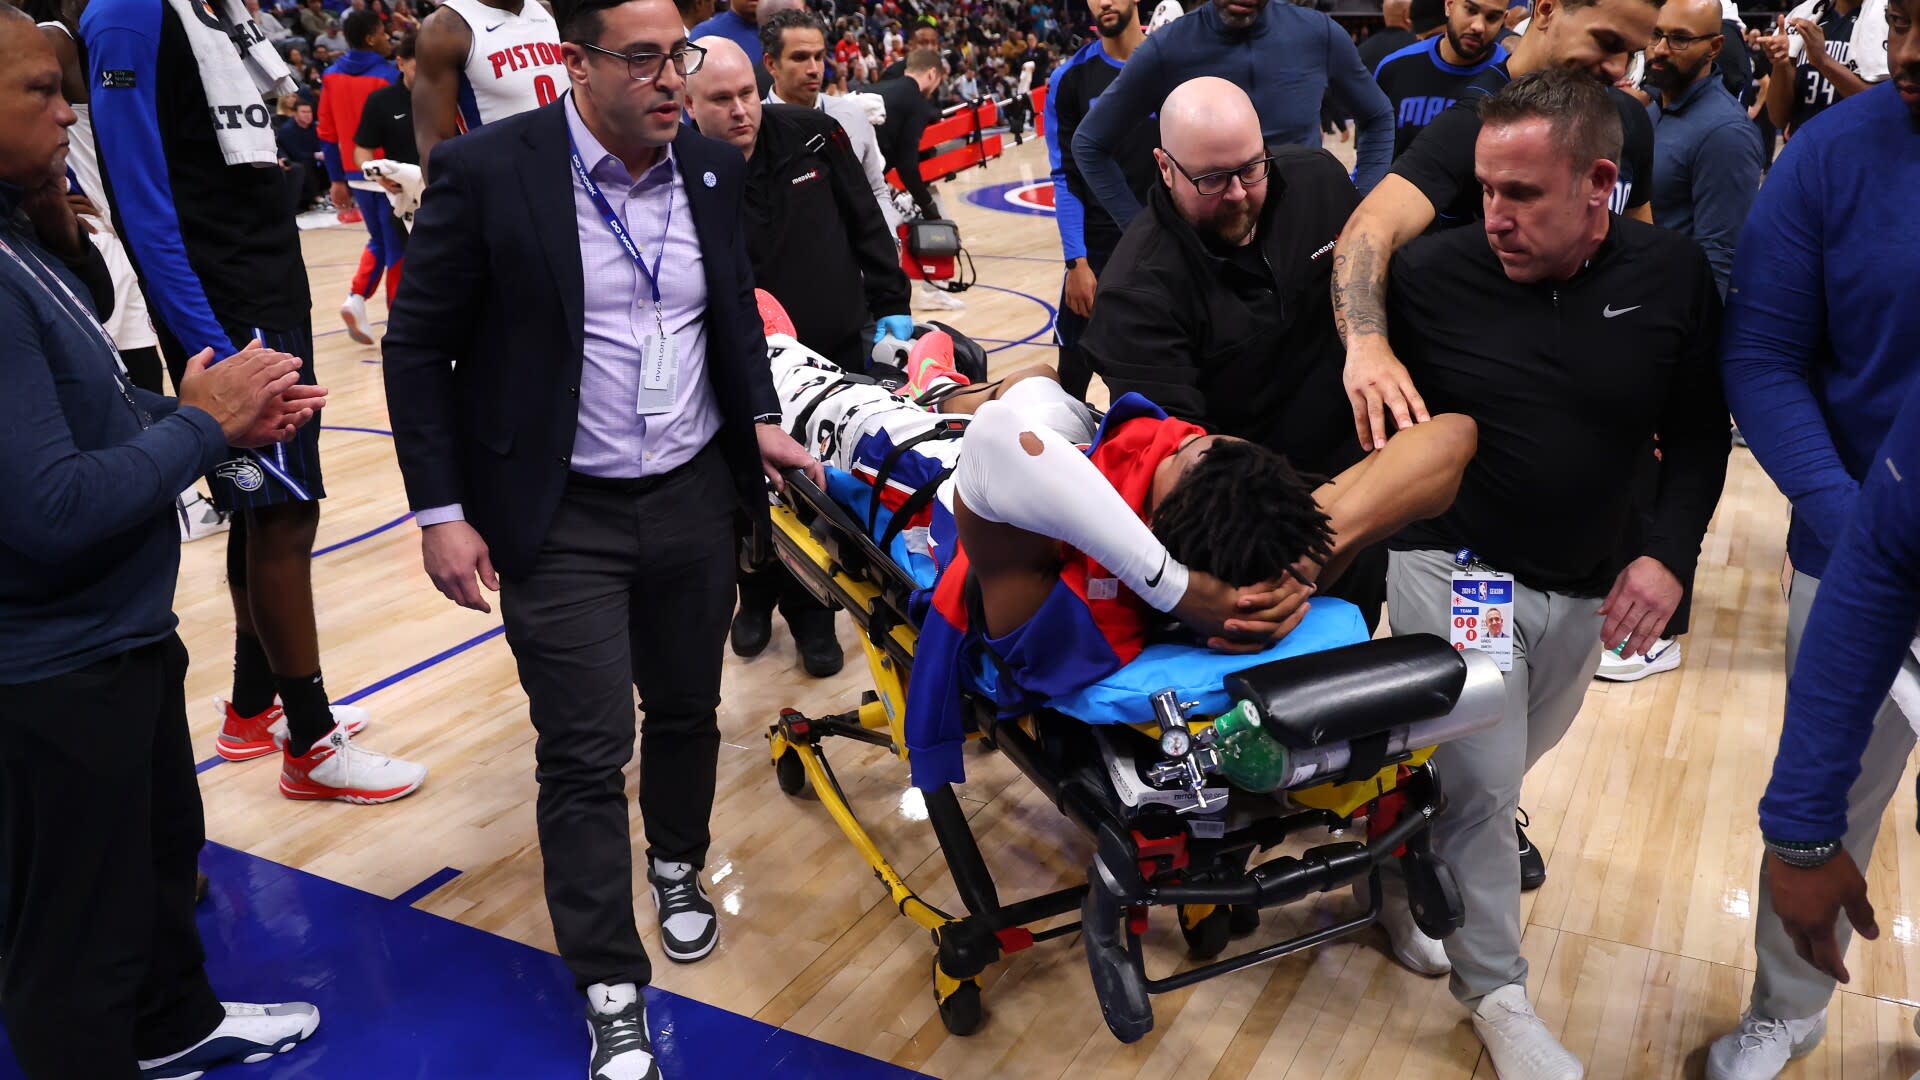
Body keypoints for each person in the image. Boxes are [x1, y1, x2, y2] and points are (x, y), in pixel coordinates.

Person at [381, 0, 820, 1072]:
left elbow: (730, 315)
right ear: (576, 63)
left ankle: (677, 862)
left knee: (685, 709)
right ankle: (610, 984)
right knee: (582, 751)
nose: (672, 80)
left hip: (689, 498)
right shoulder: (490, 171)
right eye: (644, 60)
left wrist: (757, 417)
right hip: (559, 512)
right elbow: (416, 348)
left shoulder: (711, 171)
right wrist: (441, 513)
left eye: (680, 57)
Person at [1378, 68, 1729, 1080]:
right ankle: (1497, 995)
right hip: (1462, 574)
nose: (1494, 215)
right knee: (1486, 788)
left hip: (1586, 588)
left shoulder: (1671, 276)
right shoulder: (1431, 277)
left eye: (1521, 194)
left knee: (1493, 774)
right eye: (1484, 189)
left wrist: (1668, 555)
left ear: (1599, 185)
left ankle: (1404, 863)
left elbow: (1701, 435)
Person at [0, 12, 331, 1074]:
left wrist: (193, 411)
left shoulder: (23, 236)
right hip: (53, 667)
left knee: (154, 862)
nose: (69, 109)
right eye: (43, 90)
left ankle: (176, 1026)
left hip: (118, 634)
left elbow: (93, 404)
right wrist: (203, 425)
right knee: (75, 943)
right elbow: (48, 507)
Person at [83, 0, 425, 800]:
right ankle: (309, 743)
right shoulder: (129, 15)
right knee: (280, 513)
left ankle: (250, 709)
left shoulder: (214, 11)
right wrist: (218, 346)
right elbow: (140, 201)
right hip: (223, 302)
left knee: (269, 505)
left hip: (264, 280)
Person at [1706, 2, 1920, 1072]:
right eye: (1911, 16)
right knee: (1825, 803)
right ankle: (1789, 1006)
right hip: (1855, 550)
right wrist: (1865, 533)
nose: (1914, 48)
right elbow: (1765, 356)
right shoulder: (1833, 152)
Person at [1078, 79, 1390, 628]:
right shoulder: (1137, 295)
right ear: (1165, 166)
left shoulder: (1318, 180)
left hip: (1368, 483)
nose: (1239, 193)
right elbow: (1193, 475)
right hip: (1267, 537)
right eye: (1212, 178)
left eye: (1251, 167)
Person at [1330, 0, 1660, 457]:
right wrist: (1367, 346)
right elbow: (1369, 228)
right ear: (1545, 10)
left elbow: (1640, 259)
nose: (1617, 68)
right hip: (1483, 415)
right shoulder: (1479, 121)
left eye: (1632, 53)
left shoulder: (1630, 121)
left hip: (1585, 413)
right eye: (1605, 43)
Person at [684, 35, 913, 677]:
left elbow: (866, 220)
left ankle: (815, 615)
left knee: (816, 494)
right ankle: (753, 597)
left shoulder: (815, 133)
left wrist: (892, 299)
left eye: (748, 95)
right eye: (720, 100)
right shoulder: (678, 169)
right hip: (740, 365)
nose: (740, 111)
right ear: (688, 104)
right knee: (745, 499)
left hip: (831, 351)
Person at [1069, 0, 1394, 232]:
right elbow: (1089, 144)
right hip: (1213, 257)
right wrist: (1141, 230)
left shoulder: (1317, 34)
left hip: (1304, 241)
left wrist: (1358, 204)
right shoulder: (1166, 49)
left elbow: (1378, 115)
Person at [1045, 0, 1151, 400]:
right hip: (1097, 255)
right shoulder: (1070, 79)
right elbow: (1065, 175)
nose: (1104, 2)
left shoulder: (1169, 67)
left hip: (1168, 248)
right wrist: (1077, 261)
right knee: (1071, 381)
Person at [1642, 0, 1762, 296]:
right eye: (1655, 34)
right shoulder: (1653, 111)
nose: (1659, 49)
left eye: (1680, 39)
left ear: (1715, 47)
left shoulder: (1726, 133)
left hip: (1672, 314)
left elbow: (1720, 259)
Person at [759, 6, 899, 230]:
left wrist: (890, 239)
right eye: (801, 58)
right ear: (771, 64)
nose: (814, 69)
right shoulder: (753, 127)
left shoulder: (852, 115)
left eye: (819, 57)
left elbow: (876, 190)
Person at [318, 10, 401, 344]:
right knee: (398, 247)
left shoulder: (331, 75)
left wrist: (336, 178)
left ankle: (356, 298)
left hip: (353, 174)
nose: (388, 38)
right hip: (389, 173)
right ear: (370, 37)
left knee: (379, 240)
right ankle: (400, 322)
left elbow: (326, 130)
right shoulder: (388, 75)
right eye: (383, 32)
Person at [411, 0, 561, 173]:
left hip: (579, 173)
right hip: (506, 181)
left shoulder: (551, 11)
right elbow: (434, 144)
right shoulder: (444, 27)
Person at [1371, 0, 1509, 159]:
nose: (1478, 26)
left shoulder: (1510, 80)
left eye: (1492, 18)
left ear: (1503, 20)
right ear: (1449, 5)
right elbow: (1372, 150)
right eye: (1471, 10)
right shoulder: (1395, 68)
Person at [1757, 0, 1891, 135]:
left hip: (1857, 148)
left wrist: (1823, 61)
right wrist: (1781, 64)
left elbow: (1883, 107)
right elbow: (1778, 118)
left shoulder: (1891, 20)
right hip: (1804, 149)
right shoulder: (1803, 16)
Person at [871, 45, 943, 220]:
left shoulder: (877, 87)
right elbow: (907, 167)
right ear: (932, 74)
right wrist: (928, 205)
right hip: (856, 183)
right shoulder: (916, 101)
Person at [278, 98, 330, 209]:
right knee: (305, 163)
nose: (308, 115)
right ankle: (317, 198)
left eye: (309, 112)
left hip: (314, 158)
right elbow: (295, 154)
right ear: (295, 114)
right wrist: (315, 155)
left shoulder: (315, 127)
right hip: (295, 160)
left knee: (331, 157)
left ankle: (333, 192)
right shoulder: (287, 130)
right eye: (303, 112)